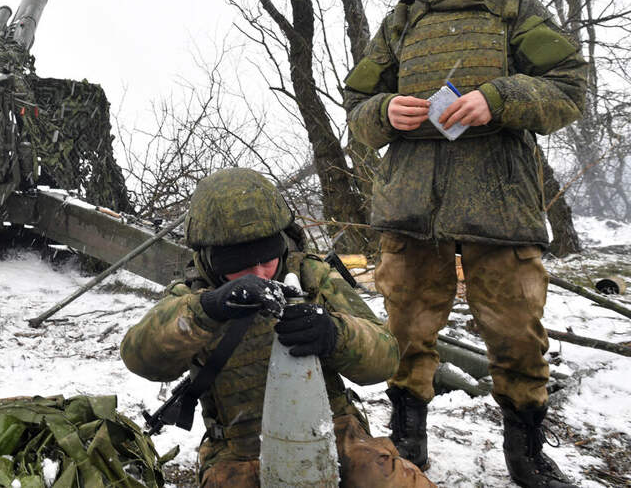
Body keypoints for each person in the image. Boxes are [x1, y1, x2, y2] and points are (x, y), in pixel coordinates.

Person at [343, 0, 587, 488]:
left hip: (498, 200)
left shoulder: (512, 8)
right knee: (406, 328)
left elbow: (569, 88)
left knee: (516, 331)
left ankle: (526, 451)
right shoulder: (402, 21)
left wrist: (498, 98)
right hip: (410, 202)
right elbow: (357, 106)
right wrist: (383, 112)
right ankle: (408, 436)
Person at [121, 168, 435, 487]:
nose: (260, 273)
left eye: (267, 258)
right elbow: (140, 357)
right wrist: (207, 310)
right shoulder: (192, 299)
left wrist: (334, 334)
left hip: (332, 431)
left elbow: (385, 358)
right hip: (241, 450)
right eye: (241, 265)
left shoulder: (312, 276)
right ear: (213, 259)